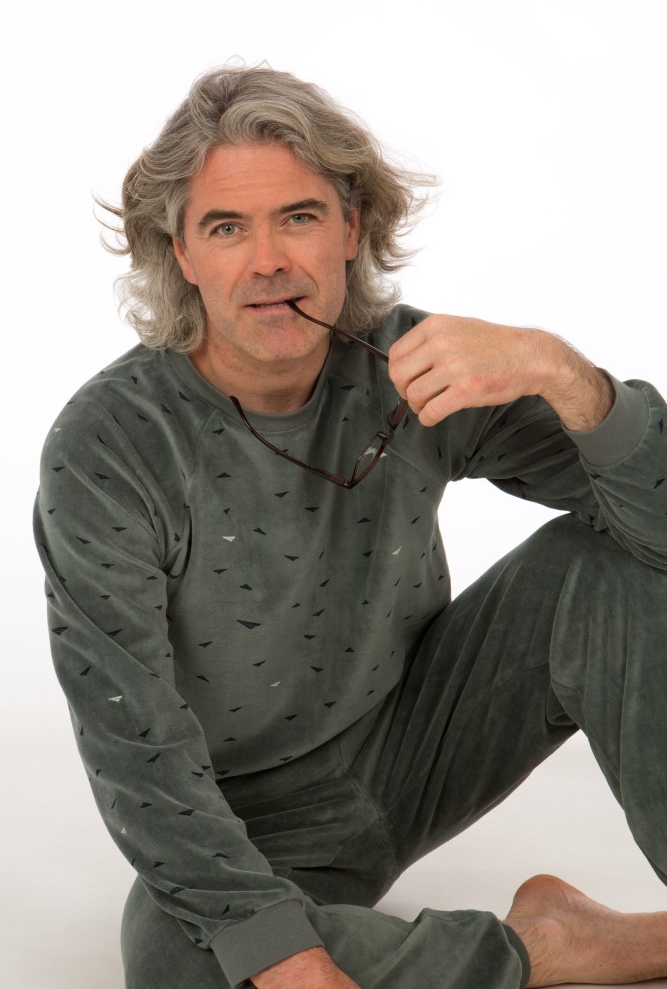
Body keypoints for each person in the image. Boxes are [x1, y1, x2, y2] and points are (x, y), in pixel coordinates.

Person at [34, 64, 667, 989]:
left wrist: (563, 375)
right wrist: (276, 951)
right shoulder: (111, 444)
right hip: (253, 820)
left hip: (426, 740)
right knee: (183, 963)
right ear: (181, 253)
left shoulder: (415, 364)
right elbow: (133, 744)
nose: (268, 261)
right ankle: (559, 947)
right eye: (226, 227)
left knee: (616, 555)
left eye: (297, 216)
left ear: (350, 227)